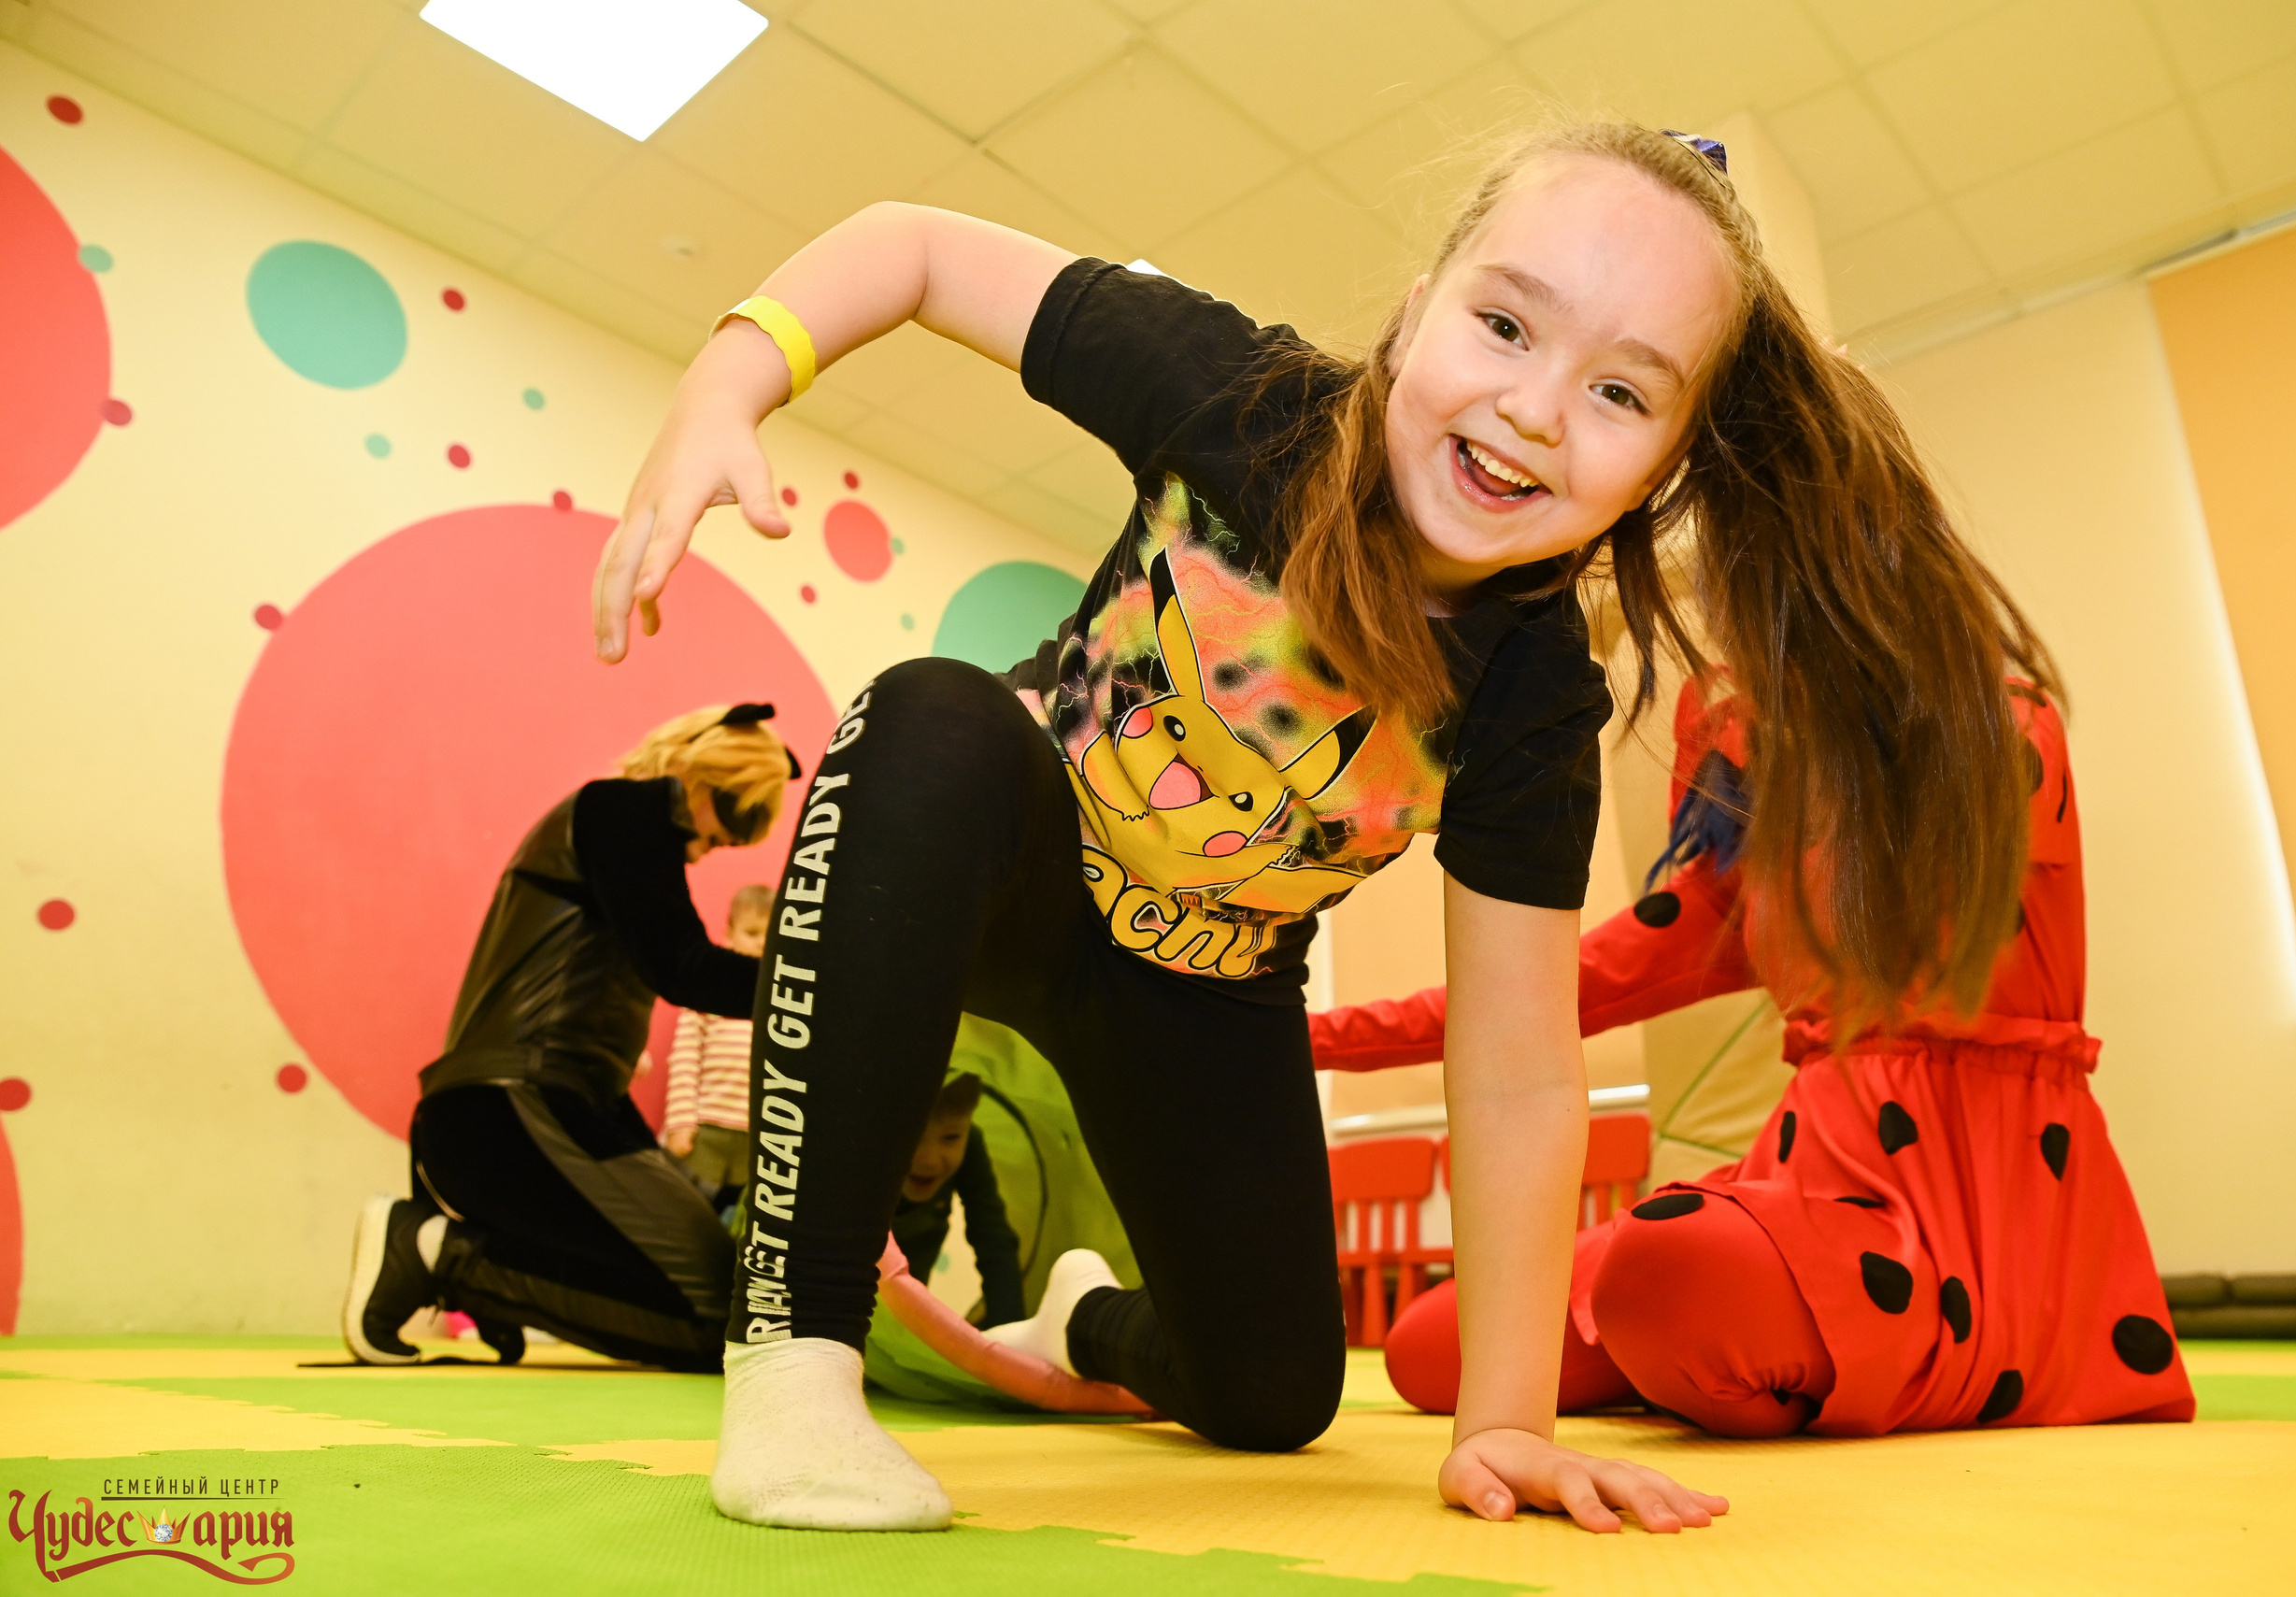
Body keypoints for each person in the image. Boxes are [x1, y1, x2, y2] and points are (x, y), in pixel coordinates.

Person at [588, 119, 2032, 1536]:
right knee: (930, 716)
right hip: (1008, 860)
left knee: (1272, 1393)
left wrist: (1506, 1421)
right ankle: (796, 1349)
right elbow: (913, 250)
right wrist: (731, 381)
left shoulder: (1531, 697)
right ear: (1418, 313)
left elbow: (1520, 1073)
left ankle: (1084, 1317)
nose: (1534, 409)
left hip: (1205, 984)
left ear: (1666, 464)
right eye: (1505, 326)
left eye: (1618, 392)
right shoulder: (1245, 404)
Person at [1315, 672, 2197, 1436]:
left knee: (1662, 1266)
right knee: (1430, 1345)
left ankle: (1736, 1347)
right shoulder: (1745, 883)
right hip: (1820, 1191)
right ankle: (1714, 1346)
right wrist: (1302, 1034)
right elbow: (1520, 1001)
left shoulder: (1997, 725)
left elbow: (1969, 779)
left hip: (1992, 1205)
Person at [340, 705, 794, 1372]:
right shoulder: (625, 811)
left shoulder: (613, 827)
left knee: (724, 1309)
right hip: (518, 1105)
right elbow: (683, 967)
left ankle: (458, 1260)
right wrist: (816, 985)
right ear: (705, 779)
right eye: (732, 822)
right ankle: (439, 1253)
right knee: (718, 1320)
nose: (711, 847)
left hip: (550, 1105)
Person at [664, 883, 775, 1217]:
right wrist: (680, 1121)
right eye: (751, 932)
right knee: (686, 1210)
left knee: (736, 1220)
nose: (762, 942)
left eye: (771, 935)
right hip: (705, 1129)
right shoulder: (708, 996)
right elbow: (685, 1061)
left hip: (755, 1137)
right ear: (729, 935)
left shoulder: (781, 1004)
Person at [890, 1072, 1026, 1327]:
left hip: (907, 1302)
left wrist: (1009, 1328)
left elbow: (994, 1239)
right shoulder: (865, 1152)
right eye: (913, 1136)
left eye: (951, 1137)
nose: (929, 1160)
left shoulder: (971, 1145)